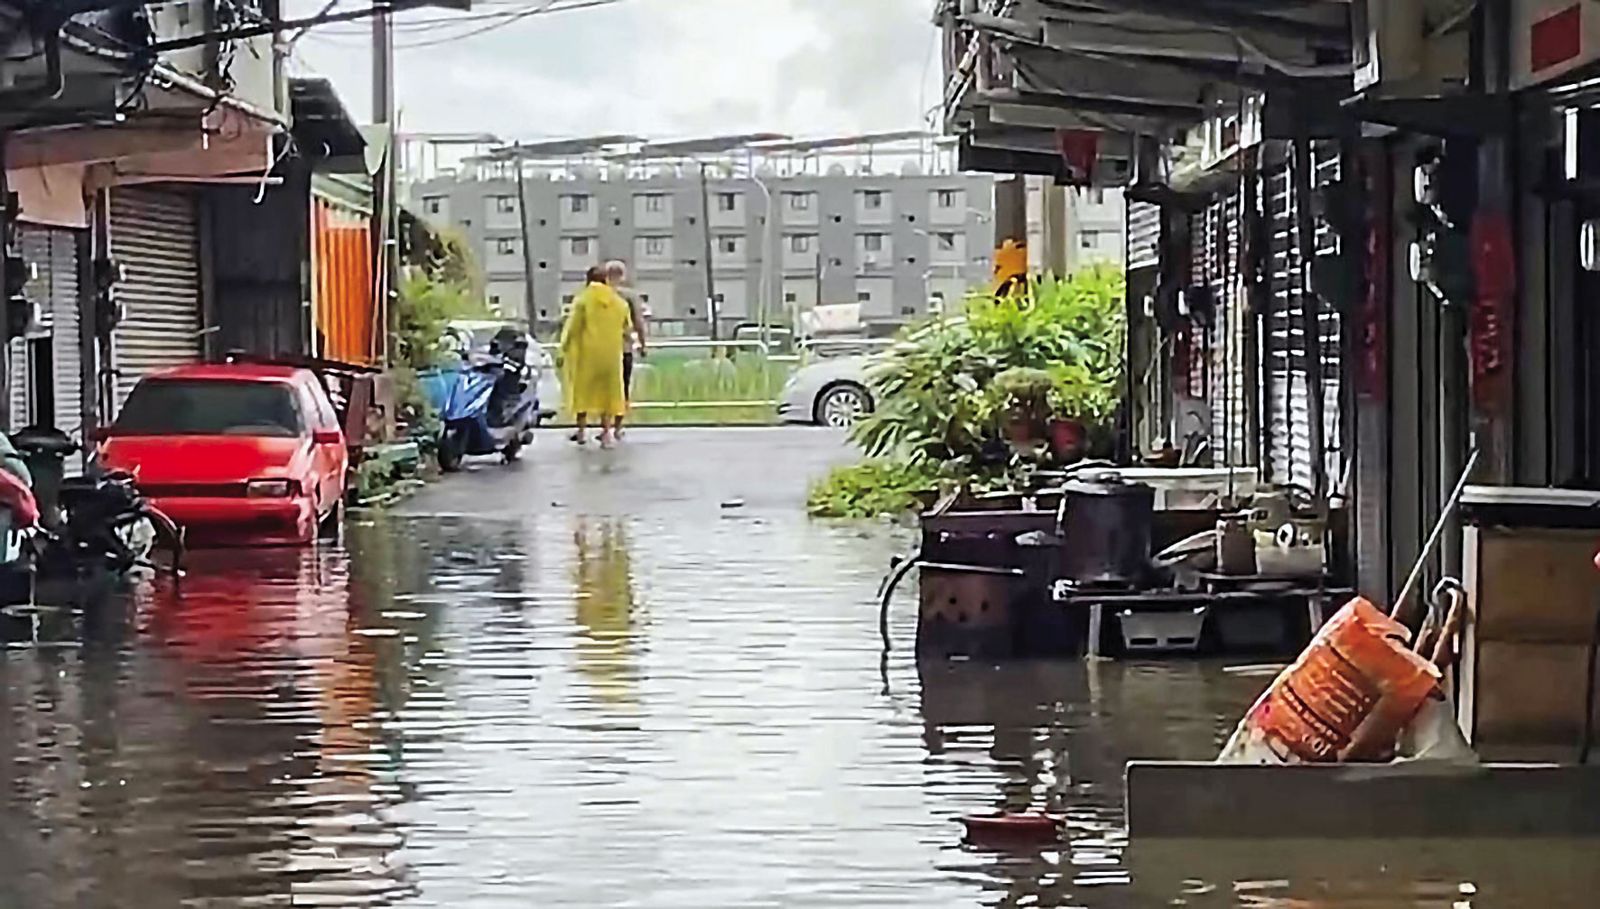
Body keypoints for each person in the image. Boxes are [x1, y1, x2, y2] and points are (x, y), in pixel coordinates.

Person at [559, 265, 632, 448]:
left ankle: (582, 431)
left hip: (587, 354)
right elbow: (627, 327)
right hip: (612, 355)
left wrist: (563, 348)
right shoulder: (619, 303)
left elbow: (572, 327)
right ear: (606, 280)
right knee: (609, 393)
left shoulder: (583, 300)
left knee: (582, 391)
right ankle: (606, 433)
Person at [604, 260, 648, 436]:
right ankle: (618, 426)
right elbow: (638, 322)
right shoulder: (629, 296)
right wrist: (643, 344)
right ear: (623, 275)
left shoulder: (599, 294)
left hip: (602, 348)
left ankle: (604, 427)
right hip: (624, 348)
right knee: (623, 387)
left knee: (605, 389)